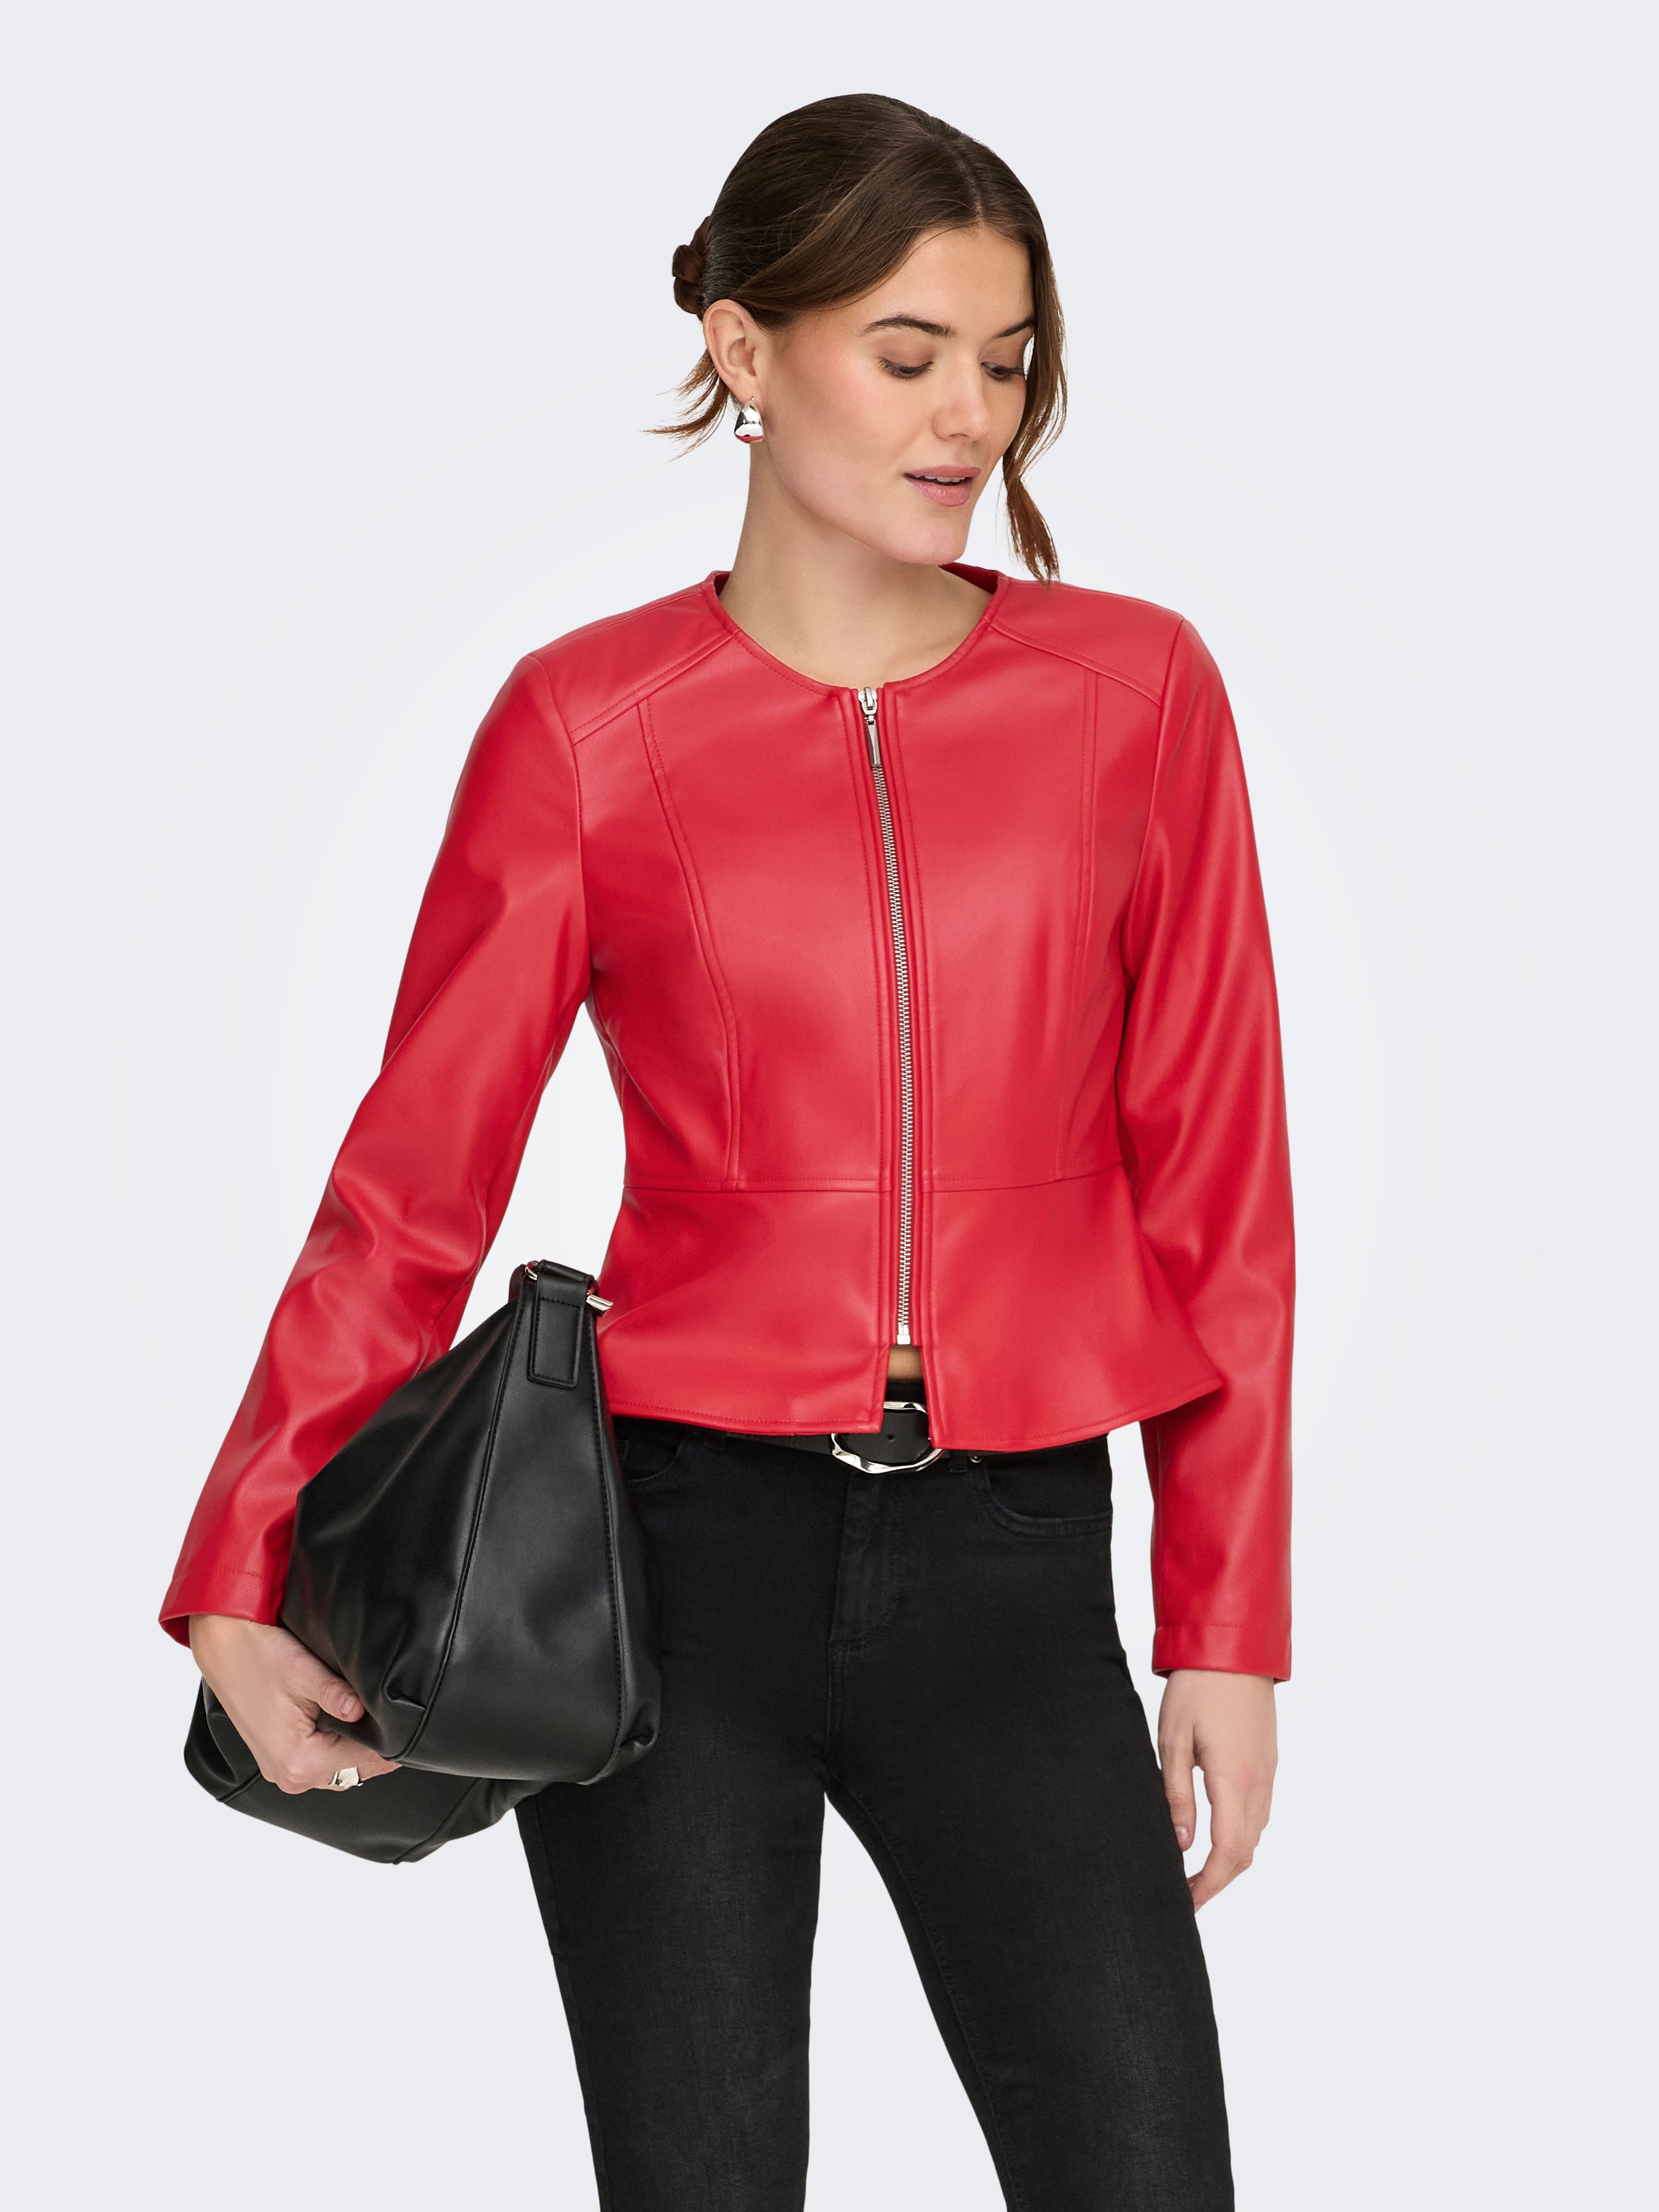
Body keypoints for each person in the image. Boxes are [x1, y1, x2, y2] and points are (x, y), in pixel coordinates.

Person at [166, 93, 1292, 2212]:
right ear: (743, 347)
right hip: (665, 1572)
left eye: (1005, 361)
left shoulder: (1133, 695)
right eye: (907, 353)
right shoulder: (586, 725)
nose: (968, 417)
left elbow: (1219, 1187)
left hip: (1014, 1567)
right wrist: (238, 1558)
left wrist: (1223, 1618)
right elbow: (412, 1185)